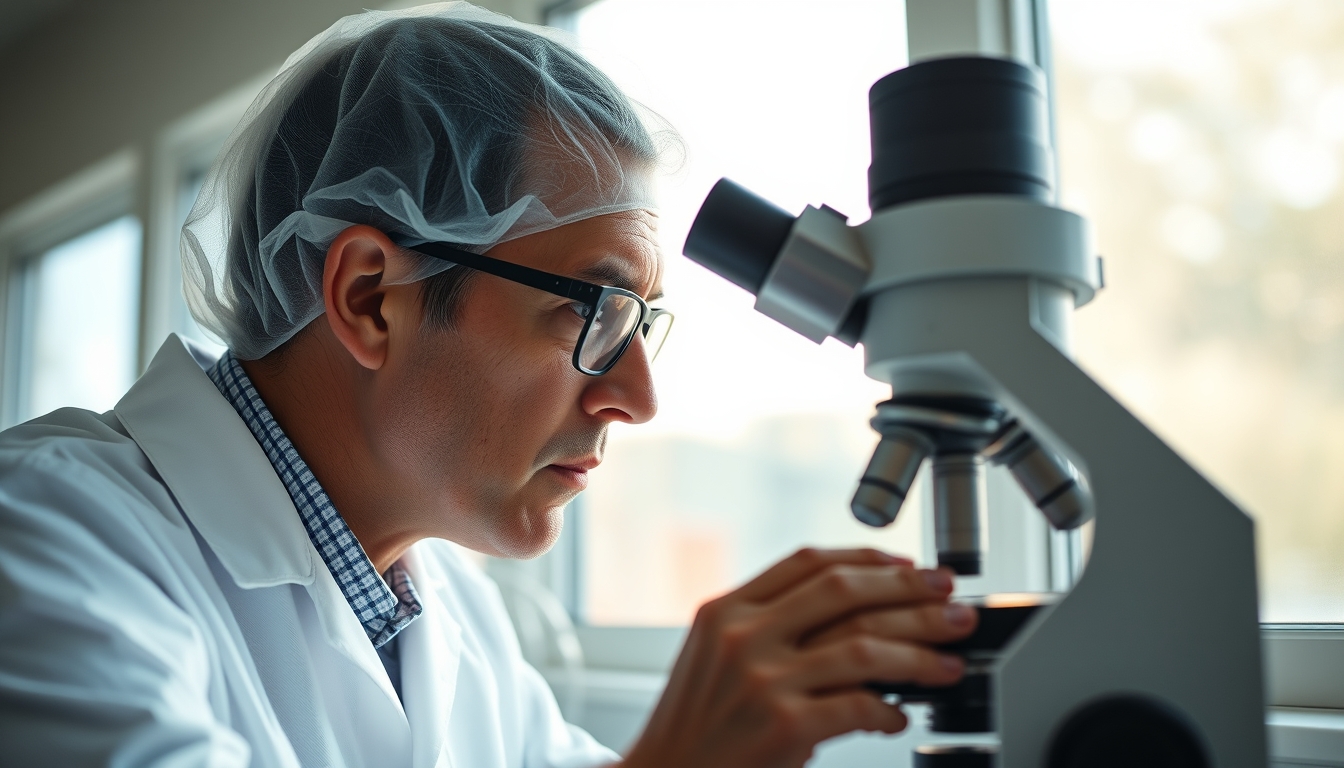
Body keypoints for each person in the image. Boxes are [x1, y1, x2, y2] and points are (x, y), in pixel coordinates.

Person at [0, 4, 976, 766]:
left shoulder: (449, 612)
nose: (636, 398)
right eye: (590, 313)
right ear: (372, 297)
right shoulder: (44, 537)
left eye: (640, 327)